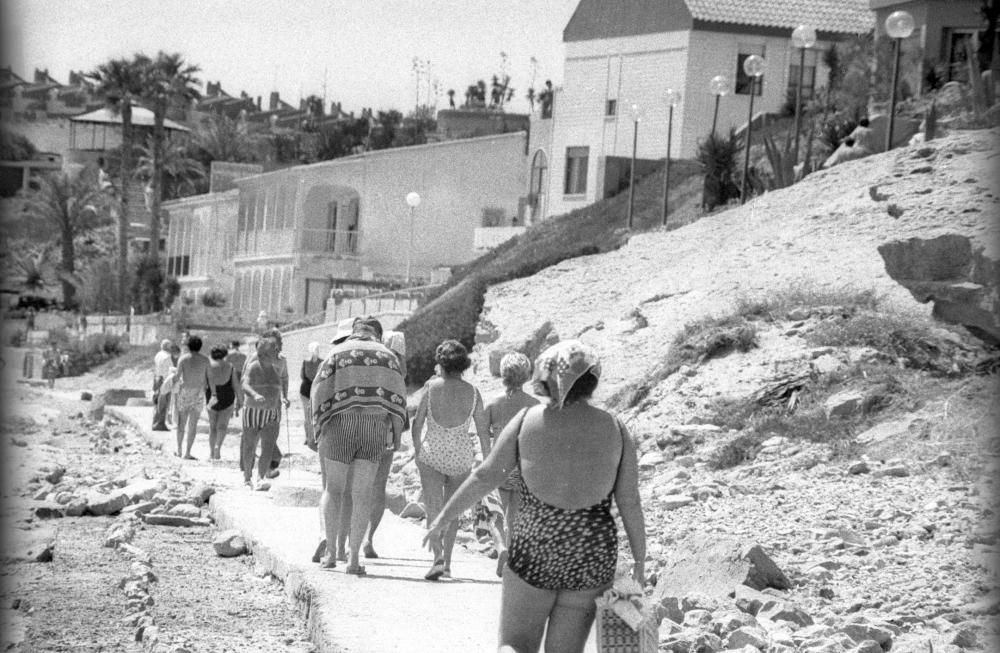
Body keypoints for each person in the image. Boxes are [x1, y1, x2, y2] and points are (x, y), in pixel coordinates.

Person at [423, 340, 646, 653]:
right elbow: (629, 502)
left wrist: (443, 519)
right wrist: (639, 559)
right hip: (590, 557)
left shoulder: (527, 421)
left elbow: (485, 476)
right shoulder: (616, 428)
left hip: (534, 549)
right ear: (592, 380)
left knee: (515, 644)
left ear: (543, 377)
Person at [311, 317, 406, 574]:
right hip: (374, 426)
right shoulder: (388, 356)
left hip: (340, 424)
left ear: (353, 333)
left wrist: (318, 425)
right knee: (362, 493)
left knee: (334, 489)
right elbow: (399, 398)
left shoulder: (337, 353)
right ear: (375, 334)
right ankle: (353, 560)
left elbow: (318, 389)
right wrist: (396, 435)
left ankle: (331, 554)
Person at [411, 339, 489, 581]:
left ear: (441, 363)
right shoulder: (473, 393)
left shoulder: (431, 389)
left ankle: (437, 559)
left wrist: (417, 450)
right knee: (452, 511)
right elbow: (483, 430)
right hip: (460, 457)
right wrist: (487, 459)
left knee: (434, 508)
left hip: (432, 454)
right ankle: (448, 563)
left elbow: (417, 423)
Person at [483, 351, 540, 576]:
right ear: (526, 376)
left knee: (492, 512)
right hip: (523, 468)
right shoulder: (535, 405)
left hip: (498, 465)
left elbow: (481, 436)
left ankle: (501, 548)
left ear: (503, 374)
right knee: (515, 517)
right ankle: (511, 563)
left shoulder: (493, 404)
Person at [240, 336, 282, 490]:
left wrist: (282, 401)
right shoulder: (254, 367)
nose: (278, 352)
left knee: (268, 446)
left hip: (272, 412)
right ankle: (247, 478)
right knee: (250, 445)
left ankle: (261, 477)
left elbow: (278, 389)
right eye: (274, 350)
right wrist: (255, 394)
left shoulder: (276, 369)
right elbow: (245, 384)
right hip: (253, 410)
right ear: (264, 353)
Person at [174, 335, 210, 459]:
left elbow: (177, 376)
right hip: (199, 392)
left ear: (188, 346)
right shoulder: (205, 360)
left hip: (185, 391)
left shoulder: (183, 359)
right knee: (193, 424)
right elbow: (208, 378)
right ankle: (188, 452)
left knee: (181, 424)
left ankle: (179, 449)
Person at [206, 344, 242, 460]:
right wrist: (240, 401)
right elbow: (236, 385)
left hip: (212, 396)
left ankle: (211, 452)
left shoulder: (208, 366)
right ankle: (218, 447)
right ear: (225, 354)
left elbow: (203, 384)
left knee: (212, 427)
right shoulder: (230, 367)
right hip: (227, 397)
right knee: (222, 426)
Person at [152, 339, 174, 431]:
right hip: (164, 380)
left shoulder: (158, 355)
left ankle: (155, 422)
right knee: (163, 403)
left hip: (157, 379)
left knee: (157, 402)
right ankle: (160, 423)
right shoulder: (167, 357)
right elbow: (169, 371)